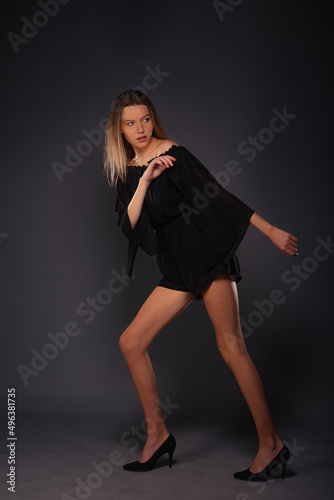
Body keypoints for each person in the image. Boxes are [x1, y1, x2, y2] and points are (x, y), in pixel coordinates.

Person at [103, 89, 297, 481]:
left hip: (206, 253)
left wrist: (271, 230)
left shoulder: (175, 151)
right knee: (131, 342)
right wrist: (146, 179)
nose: (140, 129)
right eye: (130, 123)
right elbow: (129, 223)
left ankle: (271, 444)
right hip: (176, 264)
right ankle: (157, 434)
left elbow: (219, 194)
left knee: (231, 346)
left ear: (153, 119)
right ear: (119, 130)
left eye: (145, 119)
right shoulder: (127, 171)